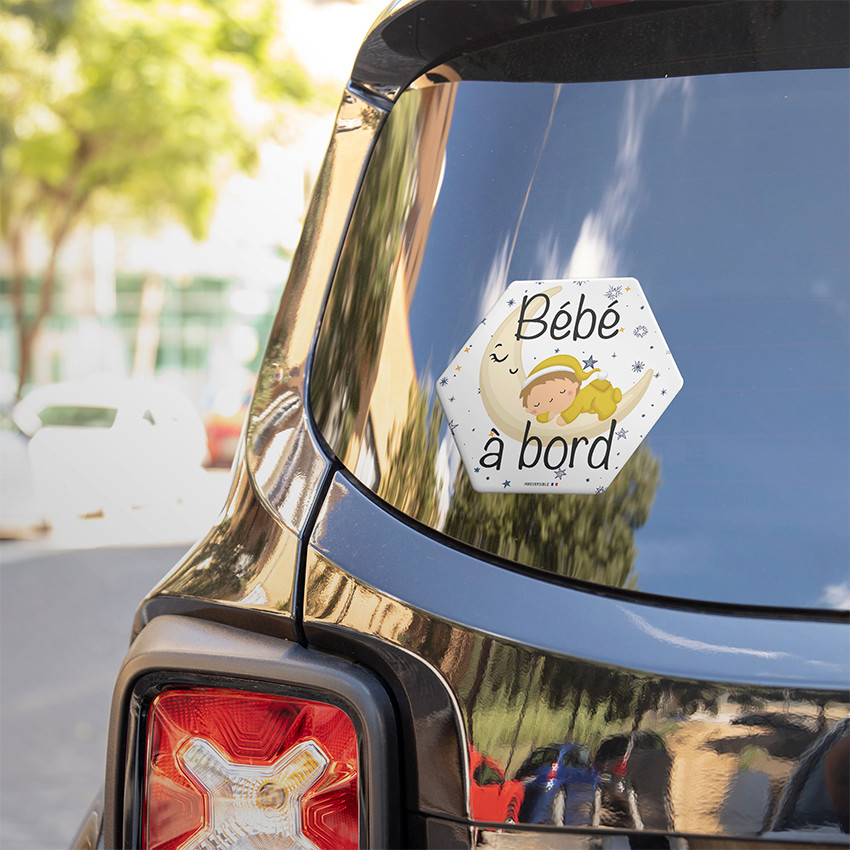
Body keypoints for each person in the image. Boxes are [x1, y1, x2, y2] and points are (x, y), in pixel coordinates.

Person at [519, 354, 622, 425]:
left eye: (562, 392)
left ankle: (608, 407)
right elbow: (548, 408)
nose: (553, 400)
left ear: (575, 385)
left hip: (600, 393)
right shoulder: (557, 404)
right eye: (537, 404)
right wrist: (545, 414)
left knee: (600, 404)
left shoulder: (576, 402)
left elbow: (571, 412)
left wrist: (565, 419)